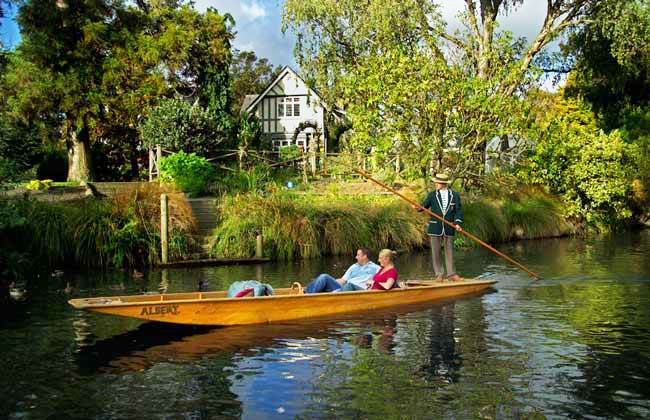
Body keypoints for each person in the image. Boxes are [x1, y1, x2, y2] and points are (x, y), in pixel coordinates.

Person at [415, 173, 464, 282]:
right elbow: (424, 206)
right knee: (436, 251)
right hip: (435, 227)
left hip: (449, 226)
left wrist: (458, 223)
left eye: (437, 182)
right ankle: (439, 274)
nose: (435, 184)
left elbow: (458, 211)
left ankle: (451, 274)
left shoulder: (454, 195)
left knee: (449, 251)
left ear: (442, 184)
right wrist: (417, 208)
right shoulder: (432, 195)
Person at [304, 248, 380, 293]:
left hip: (357, 291)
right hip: (344, 288)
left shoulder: (375, 268)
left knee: (348, 285)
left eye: (358, 255)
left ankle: (310, 295)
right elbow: (343, 280)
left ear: (365, 256)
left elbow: (382, 280)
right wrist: (327, 282)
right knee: (324, 277)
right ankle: (307, 293)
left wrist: (373, 284)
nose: (356, 257)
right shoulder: (354, 266)